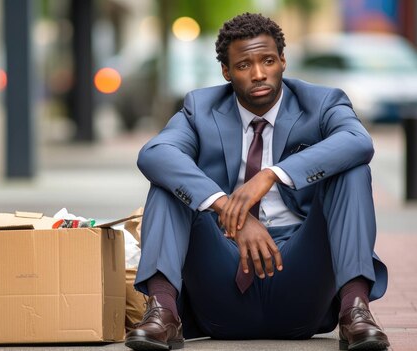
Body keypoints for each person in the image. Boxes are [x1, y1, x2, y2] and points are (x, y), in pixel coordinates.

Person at [125, 12, 389, 351]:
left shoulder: (321, 103)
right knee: (169, 182)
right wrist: (229, 207)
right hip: (221, 278)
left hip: (300, 276)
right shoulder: (200, 107)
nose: (259, 74)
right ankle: (163, 312)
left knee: (352, 170)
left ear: (282, 60)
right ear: (226, 71)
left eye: (267, 60)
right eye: (244, 65)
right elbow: (155, 152)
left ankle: (355, 311)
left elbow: (358, 141)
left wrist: (271, 175)